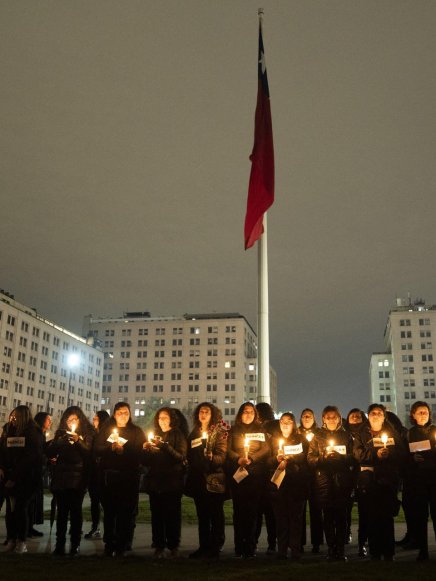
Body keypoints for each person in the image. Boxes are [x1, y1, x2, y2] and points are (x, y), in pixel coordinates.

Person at [353, 403, 406, 561]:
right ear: (368, 416)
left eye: (379, 413)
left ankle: (389, 552)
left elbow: (401, 452)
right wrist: (376, 454)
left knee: (386, 517)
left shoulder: (391, 432)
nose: (376, 415)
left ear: (384, 416)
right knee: (372, 517)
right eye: (373, 413)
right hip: (369, 481)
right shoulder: (360, 433)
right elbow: (357, 454)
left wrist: (389, 454)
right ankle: (375, 552)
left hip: (388, 480)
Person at [94, 402, 145, 557]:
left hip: (128, 477)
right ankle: (109, 544)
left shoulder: (136, 431)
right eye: (120, 412)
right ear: (114, 414)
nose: (123, 415)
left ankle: (123, 544)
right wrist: (110, 448)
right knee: (109, 512)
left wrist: (124, 450)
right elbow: (97, 448)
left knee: (126, 512)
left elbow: (140, 452)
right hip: (109, 477)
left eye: (126, 412)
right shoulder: (106, 430)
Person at [307, 405, 355, 561]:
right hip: (324, 480)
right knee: (327, 516)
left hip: (342, 480)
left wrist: (341, 458)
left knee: (341, 516)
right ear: (323, 419)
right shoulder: (317, 436)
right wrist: (323, 458)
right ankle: (331, 548)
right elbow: (310, 459)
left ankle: (340, 549)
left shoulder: (346, 436)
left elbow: (353, 457)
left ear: (339, 418)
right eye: (328, 417)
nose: (331, 420)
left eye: (334, 417)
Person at [47, 406, 95, 556]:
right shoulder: (61, 434)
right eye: (69, 420)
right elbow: (50, 451)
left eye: (74, 419)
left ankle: (75, 544)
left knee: (75, 513)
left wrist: (78, 441)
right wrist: (61, 441)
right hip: (61, 478)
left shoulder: (87, 434)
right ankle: (59, 545)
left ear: (80, 420)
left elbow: (89, 454)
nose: (71, 422)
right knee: (61, 513)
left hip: (78, 478)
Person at [142, 406, 187, 559]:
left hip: (172, 481)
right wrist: (146, 450)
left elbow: (180, 456)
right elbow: (146, 462)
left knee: (172, 515)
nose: (162, 420)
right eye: (160, 417)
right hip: (155, 481)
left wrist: (165, 446)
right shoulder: (155, 435)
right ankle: (158, 545)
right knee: (157, 516)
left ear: (172, 419)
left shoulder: (177, 435)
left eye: (165, 417)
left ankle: (173, 545)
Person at [185, 402, 228, 559]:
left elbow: (222, 456)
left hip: (214, 478)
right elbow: (189, 453)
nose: (203, 414)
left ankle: (216, 546)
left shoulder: (219, 433)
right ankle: (203, 546)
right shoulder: (194, 433)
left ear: (213, 415)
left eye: (207, 412)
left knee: (216, 513)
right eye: (201, 412)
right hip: (198, 479)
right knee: (202, 515)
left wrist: (212, 458)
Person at [227, 402, 269, 559]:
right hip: (238, 473)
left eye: (251, 412)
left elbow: (266, 449)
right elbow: (228, 449)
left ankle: (250, 547)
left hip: (255, 475)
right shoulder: (234, 430)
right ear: (240, 414)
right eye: (245, 411)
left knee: (253, 512)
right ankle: (239, 546)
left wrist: (251, 458)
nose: (248, 414)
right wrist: (238, 459)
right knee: (238, 512)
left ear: (255, 414)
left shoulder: (260, 430)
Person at [0, 405, 43, 553]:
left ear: (23, 417)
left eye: (15, 417)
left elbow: (29, 458)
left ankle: (21, 541)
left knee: (20, 509)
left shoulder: (32, 433)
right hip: (10, 476)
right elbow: (4, 451)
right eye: (12, 417)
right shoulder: (10, 431)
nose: (13, 419)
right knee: (11, 510)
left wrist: (14, 477)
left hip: (26, 478)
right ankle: (11, 539)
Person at [269, 412, 309, 560]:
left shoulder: (301, 439)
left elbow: (304, 457)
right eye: (282, 421)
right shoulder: (273, 440)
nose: (285, 424)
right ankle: (282, 550)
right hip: (279, 485)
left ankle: (296, 550)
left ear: (294, 424)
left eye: (289, 421)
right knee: (281, 519)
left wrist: (290, 458)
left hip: (296, 484)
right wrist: (276, 459)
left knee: (295, 519)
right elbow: (267, 460)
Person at [405, 401, 436, 561]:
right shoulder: (410, 434)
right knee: (420, 516)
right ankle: (423, 550)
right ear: (413, 415)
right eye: (420, 412)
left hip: (435, 478)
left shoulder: (435, 430)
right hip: (418, 480)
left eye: (425, 412)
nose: (423, 414)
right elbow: (404, 456)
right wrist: (412, 459)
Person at [298, 408, 323, 553]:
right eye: (304, 416)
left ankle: (316, 542)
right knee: (300, 511)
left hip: (315, 475)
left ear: (314, 419)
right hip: (301, 476)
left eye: (309, 416)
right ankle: (299, 542)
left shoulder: (319, 434)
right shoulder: (296, 434)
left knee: (316, 510)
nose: (306, 418)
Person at [254, 402, 278, 554]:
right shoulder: (269, 427)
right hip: (266, 473)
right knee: (268, 512)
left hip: (263, 472)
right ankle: (271, 543)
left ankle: (256, 542)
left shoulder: (266, 428)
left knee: (264, 512)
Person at [344, 408, 368, 556]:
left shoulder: (366, 433)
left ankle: (362, 541)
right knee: (345, 507)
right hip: (347, 474)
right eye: (352, 415)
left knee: (364, 510)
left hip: (363, 474)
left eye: (358, 416)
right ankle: (346, 532)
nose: (355, 418)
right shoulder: (344, 433)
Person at [84, 410, 110, 540]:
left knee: (106, 502)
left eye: (96, 419)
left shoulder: (107, 434)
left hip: (104, 472)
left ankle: (110, 529)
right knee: (94, 502)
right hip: (93, 472)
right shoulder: (92, 434)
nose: (93, 420)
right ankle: (95, 527)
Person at [27, 411, 52, 538]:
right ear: (42, 420)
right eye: (48, 419)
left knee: (34, 501)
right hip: (31, 472)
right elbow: (37, 452)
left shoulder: (41, 434)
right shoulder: (35, 433)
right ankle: (25, 528)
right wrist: (46, 460)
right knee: (29, 501)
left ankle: (30, 526)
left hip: (37, 472)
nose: (50, 422)